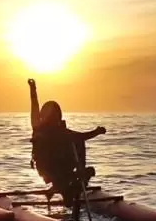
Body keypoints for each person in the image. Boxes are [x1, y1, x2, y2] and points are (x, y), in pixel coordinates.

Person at [27, 78, 107, 207]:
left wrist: (96, 132)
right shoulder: (38, 128)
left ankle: (67, 189)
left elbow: (80, 137)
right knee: (72, 177)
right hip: (48, 169)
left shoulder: (62, 131)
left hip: (64, 170)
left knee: (80, 147)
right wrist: (33, 88)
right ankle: (65, 190)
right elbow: (34, 105)